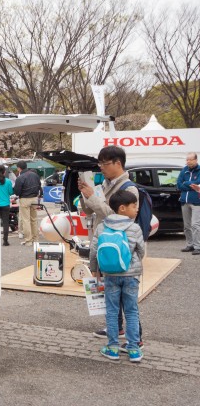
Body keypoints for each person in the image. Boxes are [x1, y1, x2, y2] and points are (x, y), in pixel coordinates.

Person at [77, 145, 143, 348]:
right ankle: (117, 328)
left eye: (104, 163)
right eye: (100, 163)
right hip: (106, 246)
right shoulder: (104, 183)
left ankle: (136, 339)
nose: (101, 167)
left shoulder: (129, 188)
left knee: (128, 301)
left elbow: (116, 216)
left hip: (121, 250)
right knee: (112, 296)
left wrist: (94, 197)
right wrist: (85, 194)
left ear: (118, 163)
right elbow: (90, 212)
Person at [89, 189, 145, 363]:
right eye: (134, 206)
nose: (137, 209)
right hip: (131, 275)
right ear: (122, 208)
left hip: (110, 274)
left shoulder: (101, 226)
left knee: (112, 311)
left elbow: (93, 250)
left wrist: (94, 268)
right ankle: (134, 349)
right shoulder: (134, 228)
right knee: (131, 311)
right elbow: (141, 251)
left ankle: (112, 347)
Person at [177, 152, 200, 255]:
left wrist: (186, 183)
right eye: (187, 160)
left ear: (196, 160)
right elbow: (179, 184)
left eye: (190, 160)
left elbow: (198, 184)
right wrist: (190, 185)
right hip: (184, 201)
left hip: (196, 202)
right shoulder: (184, 170)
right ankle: (190, 244)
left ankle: (197, 246)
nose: (188, 162)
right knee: (187, 226)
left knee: (195, 225)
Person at [13, 160, 41, 245]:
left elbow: (17, 192)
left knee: (26, 220)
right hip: (34, 198)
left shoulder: (20, 178)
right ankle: (36, 239)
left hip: (25, 199)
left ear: (19, 168)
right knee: (34, 219)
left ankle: (29, 241)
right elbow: (39, 186)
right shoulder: (35, 175)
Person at [0, 165, 14, 246]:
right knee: (5, 223)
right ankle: (5, 241)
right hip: (6, 204)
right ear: (5, 172)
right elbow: (11, 192)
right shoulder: (8, 181)